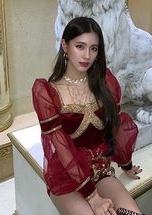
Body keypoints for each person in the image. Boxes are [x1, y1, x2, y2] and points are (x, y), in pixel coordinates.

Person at [32, 17, 143, 215]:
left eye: (94, 48)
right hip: (67, 175)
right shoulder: (46, 92)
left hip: (100, 168)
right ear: (65, 46)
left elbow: (115, 126)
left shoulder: (105, 82)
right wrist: (93, 198)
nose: (87, 55)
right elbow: (60, 146)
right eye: (80, 46)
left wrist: (126, 163)